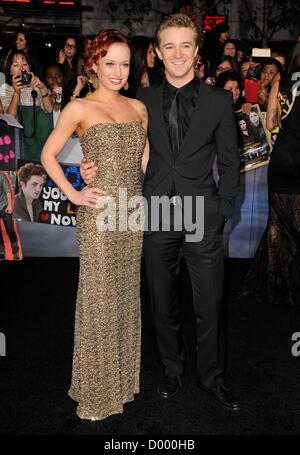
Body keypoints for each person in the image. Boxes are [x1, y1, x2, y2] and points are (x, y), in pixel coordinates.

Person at [82, 14, 241, 411]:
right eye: (168, 46)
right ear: (156, 51)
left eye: (185, 45)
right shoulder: (142, 100)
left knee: (210, 305)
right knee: (162, 302)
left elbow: (231, 160)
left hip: (202, 213)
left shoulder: (220, 101)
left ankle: (212, 379)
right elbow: (114, 143)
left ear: (197, 51)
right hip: (155, 213)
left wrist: (222, 209)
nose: (177, 54)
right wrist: (90, 167)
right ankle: (172, 370)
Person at [41, 28, 149, 421]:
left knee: (125, 296)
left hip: (131, 213)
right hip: (100, 214)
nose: (118, 71)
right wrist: (74, 191)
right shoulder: (78, 108)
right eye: (110, 64)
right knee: (99, 299)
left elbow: (142, 159)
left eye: (124, 64)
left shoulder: (139, 108)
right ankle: (97, 392)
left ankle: (122, 383)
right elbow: (47, 154)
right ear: (94, 64)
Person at [241, 42, 300, 306]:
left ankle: (273, 284)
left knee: (276, 222)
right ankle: (293, 286)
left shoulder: (282, 82)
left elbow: (271, 123)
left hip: (283, 156)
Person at [0, 171, 20, 260]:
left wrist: (9, 205)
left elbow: (7, 191)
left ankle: (15, 253)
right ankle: (1, 253)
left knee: (10, 230)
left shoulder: (1, 176)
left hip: (4, 206)